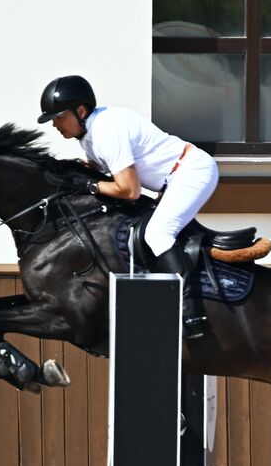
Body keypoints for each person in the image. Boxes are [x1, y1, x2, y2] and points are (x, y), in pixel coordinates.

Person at [37, 74, 216, 338]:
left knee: (157, 233)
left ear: (81, 110)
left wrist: (88, 187)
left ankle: (191, 313)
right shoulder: (89, 135)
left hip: (192, 171)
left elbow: (129, 190)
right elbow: (100, 172)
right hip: (173, 179)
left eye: (59, 117)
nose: (55, 124)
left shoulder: (106, 130)